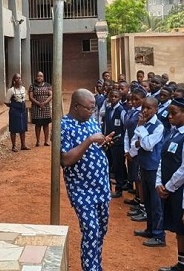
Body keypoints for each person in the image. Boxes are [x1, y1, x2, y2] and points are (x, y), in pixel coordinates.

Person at [61, 89, 114, 271]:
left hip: (101, 187)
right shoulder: (64, 126)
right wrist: (89, 140)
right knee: (91, 231)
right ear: (76, 106)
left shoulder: (90, 120)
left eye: (94, 108)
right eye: (89, 108)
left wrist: (102, 142)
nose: (93, 112)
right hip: (81, 189)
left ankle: (95, 266)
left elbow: (94, 146)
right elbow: (66, 159)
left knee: (101, 231)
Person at [155, 98, 184, 270]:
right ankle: (180, 263)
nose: (169, 116)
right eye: (169, 113)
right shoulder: (173, 132)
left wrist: (170, 186)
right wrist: (159, 182)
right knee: (177, 229)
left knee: (183, 228)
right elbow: (162, 159)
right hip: (168, 187)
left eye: (174, 113)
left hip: (179, 189)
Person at [132, 97, 165, 236]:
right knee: (148, 200)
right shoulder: (143, 123)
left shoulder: (158, 126)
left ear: (156, 109)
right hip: (144, 165)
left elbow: (147, 145)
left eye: (148, 108)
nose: (145, 111)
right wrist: (140, 139)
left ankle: (158, 234)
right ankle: (149, 229)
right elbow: (135, 142)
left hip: (153, 166)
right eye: (143, 107)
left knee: (156, 202)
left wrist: (140, 131)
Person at [103, 88, 127, 198]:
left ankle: (119, 188)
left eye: (116, 97)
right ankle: (107, 188)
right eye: (111, 96)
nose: (113, 98)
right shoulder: (108, 109)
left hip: (118, 144)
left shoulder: (121, 111)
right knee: (107, 164)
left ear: (120, 98)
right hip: (108, 142)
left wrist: (119, 139)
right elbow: (106, 125)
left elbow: (125, 127)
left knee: (118, 167)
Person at [6, 73, 30, 151]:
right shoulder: (11, 90)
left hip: (22, 109)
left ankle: (23, 145)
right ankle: (14, 146)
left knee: (22, 127)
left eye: (20, 78)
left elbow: (24, 99)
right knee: (14, 128)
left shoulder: (23, 88)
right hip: (14, 110)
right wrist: (13, 106)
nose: (19, 80)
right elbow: (6, 102)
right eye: (17, 78)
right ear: (14, 80)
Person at [29, 71, 53, 146]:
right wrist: (38, 103)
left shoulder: (47, 85)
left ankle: (46, 141)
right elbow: (31, 97)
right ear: (36, 77)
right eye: (38, 76)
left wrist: (44, 103)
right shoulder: (32, 86)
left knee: (46, 124)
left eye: (41, 76)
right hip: (36, 108)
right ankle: (38, 141)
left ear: (43, 77)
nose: (39, 77)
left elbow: (51, 95)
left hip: (45, 108)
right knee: (38, 125)